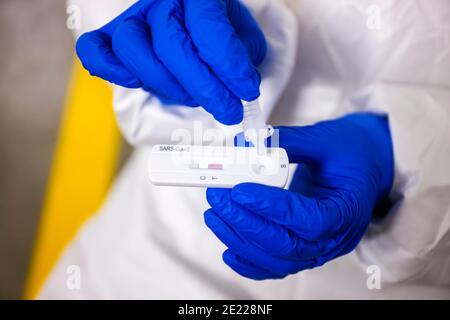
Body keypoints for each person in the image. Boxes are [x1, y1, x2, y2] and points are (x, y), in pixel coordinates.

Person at [40, 0, 450, 299]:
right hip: (156, 252)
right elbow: (114, 21)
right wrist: (158, 26)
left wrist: (405, 150)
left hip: (394, 271)